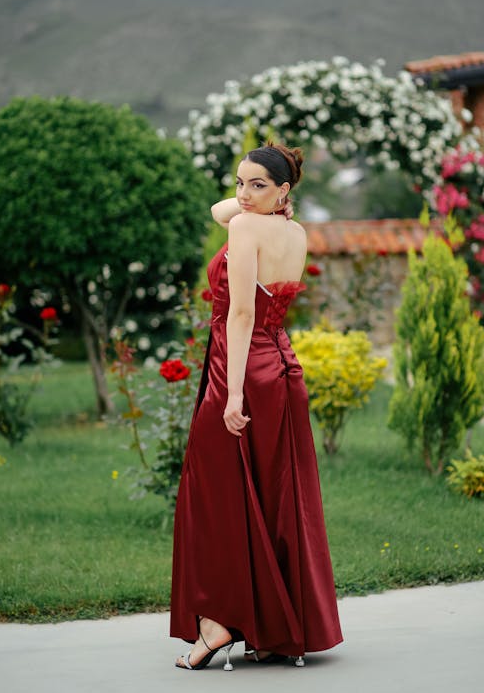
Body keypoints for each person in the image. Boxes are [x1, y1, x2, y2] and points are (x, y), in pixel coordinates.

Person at [170, 142, 343, 671]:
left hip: (240, 370)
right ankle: (273, 631)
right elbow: (221, 210)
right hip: (283, 369)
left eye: (258, 185)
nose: (242, 195)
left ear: (285, 190)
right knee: (273, 494)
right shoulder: (295, 232)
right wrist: (258, 199)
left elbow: (240, 314)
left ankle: (219, 622)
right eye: (240, 182)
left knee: (212, 491)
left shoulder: (245, 230)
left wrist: (234, 394)